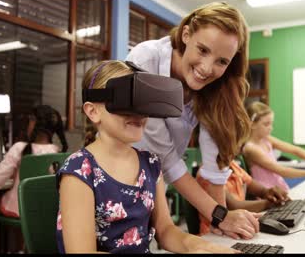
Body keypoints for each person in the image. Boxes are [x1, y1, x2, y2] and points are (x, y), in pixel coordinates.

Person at [55, 60, 240, 253]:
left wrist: (203, 247)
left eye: (143, 104)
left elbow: (166, 230)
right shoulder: (79, 170)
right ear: (93, 111)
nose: (138, 114)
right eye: (127, 102)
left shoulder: (150, 163)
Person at [126, 1, 259, 239]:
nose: (207, 68)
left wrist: (220, 224)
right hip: (115, 184)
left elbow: (214, 164)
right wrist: (219, 215)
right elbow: (165, 157)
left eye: (222, 61)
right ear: (186, 34)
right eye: (203, 50)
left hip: (154, 186)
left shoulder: (215, 88)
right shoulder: (147, 60)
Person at [0, 105, 68, 253]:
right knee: (23, 217)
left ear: (34, 123)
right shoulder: (57, 152)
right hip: (42, 210)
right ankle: (19, 249)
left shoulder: (20, 148)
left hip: (19, 207)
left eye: (30, 120)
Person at [242, 101, 305, 192]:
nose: (271, 127)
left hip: (279, 189)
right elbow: (282, 171)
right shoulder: (251, 148)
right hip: (267, 194)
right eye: (266, 124)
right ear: (252, 124)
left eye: (271, 123)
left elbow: (295, 150)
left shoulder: (266, 139)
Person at [197, 160, 290, 235]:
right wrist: (270, 203)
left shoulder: (233, 165)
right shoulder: (207, 173)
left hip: (238, 224)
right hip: (216, 233)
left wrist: (270, 192)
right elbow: (233, 206)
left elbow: (260, 190)